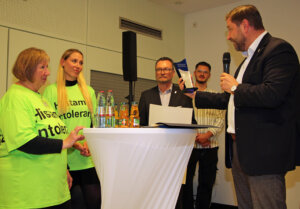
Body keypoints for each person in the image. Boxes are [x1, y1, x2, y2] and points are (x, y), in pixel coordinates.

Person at [180, 5, 300, 209]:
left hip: (264, 153)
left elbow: (272, 94)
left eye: (230, 29)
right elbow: (229, 101)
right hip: (240, 150)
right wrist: (195, 94)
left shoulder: (278, 50)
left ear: (245, 25)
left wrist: (235, 87)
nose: (228, 36)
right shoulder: (247, 61)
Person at [0, 47, 85, 209]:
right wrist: (65, 143)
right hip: (28, 196)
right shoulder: (15, 98)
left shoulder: (38, 97)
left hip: (53, 191)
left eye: (47, 67)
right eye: (42, 67)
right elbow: (24, 141)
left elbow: (53, 134)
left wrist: (64, 168)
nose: (47, 73)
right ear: (27, 69)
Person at [43, 49, 101, 209]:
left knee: (95, 202)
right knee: (77, 204)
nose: (78, 65)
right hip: (65, 160)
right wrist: (73, 143)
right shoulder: (51, 91)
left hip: (88, 159)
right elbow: (50, 126)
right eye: (74, 61)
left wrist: (89, 144)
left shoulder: (89, 91)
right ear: (63, 62)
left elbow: (93, 123)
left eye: (81, 62)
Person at [139, 56, 196, 209]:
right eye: (159, 69)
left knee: (177, 192)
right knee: (154, 191)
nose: (162, 72)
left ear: (172, 73)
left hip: (177, 152)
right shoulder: (146, 95)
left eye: (166, 69)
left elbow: (192, 122)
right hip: (154, 153)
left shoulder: (184, 94)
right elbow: (142, 125)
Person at [183, 62, 225, 209]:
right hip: (190, 145)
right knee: (186, 182)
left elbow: (221, 119)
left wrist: (207, 135)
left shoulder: (215, 96)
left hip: (211, 145)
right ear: (194, 73)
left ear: (209, 75)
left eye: (205, 72)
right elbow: (183, 118)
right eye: (199, 71)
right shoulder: (187, 96)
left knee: (206, 183)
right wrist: (197, 137)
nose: (202, 74)